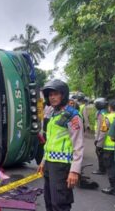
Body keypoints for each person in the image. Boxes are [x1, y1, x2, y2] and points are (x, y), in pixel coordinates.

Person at [37, 79, 84, 211]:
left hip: (62, 166)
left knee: (60, 203)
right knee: (49, 201)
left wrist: (74, 170)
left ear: (63, 95)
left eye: (55, 94)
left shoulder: (72, 116)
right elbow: (50, 142)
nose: (52, 97)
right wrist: (43, 161)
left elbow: (78, 145)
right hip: (50, 164)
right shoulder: (53, 114)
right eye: (50, 95)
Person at [101, 99, 115, 196]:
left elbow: (103, 131)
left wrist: (99, 144)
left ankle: (114, 188)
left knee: (110, 167)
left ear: (110, 107)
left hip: (109, 147)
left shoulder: (107, 117)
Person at [92, 97, 108, 175]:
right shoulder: (102, 112)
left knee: (99, 152)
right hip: (102, 136)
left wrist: (97, 139)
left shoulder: (102, 114)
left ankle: (102, 169)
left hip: (101, 137)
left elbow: (100, 128)